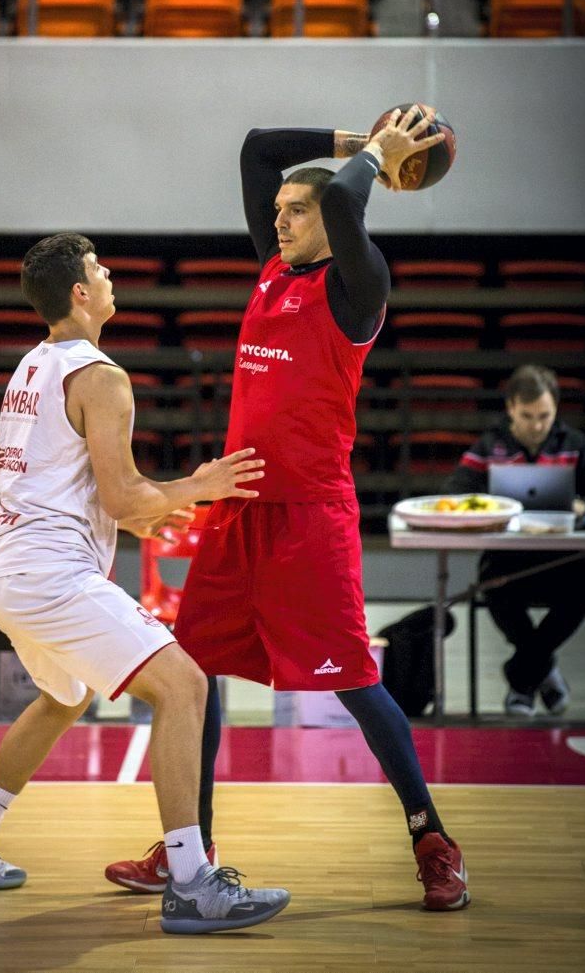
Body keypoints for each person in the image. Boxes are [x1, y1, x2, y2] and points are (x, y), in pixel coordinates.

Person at [106, 106, 471, 912]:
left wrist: (379, 157)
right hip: (240, 512)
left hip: (310, 518)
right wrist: (359, 139)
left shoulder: (357, 285)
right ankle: (187, 853)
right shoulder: (273, 269)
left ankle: (431, 839)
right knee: (190, 674)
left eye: (293, 211)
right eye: (275, 213)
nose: (278, 219)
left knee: (356, 684)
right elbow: (257, 148)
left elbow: (344, 203)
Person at [0, 233, 290, 935]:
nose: (111, 273)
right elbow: (121, 496)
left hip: (1, 566)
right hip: (47, 571)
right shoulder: (103, 376)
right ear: (80, 294)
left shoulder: (31, 365)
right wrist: (204, 485)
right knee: (184, 684)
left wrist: (141, 515)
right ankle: (191, 881)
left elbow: (72, 486)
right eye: (99, 268)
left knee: (62, 698)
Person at [445, 363, 585, 717]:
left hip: (565, 561)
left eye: (545, 415)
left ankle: (522, 678)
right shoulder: (488, 447)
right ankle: (541, 672)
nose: (537, 425)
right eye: (527, 415)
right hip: (507, 563)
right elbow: (455, 492)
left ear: (556, 408)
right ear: (511, 407)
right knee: (494, 589)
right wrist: (489, 507)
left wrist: (582, 506)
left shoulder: (576, 445)